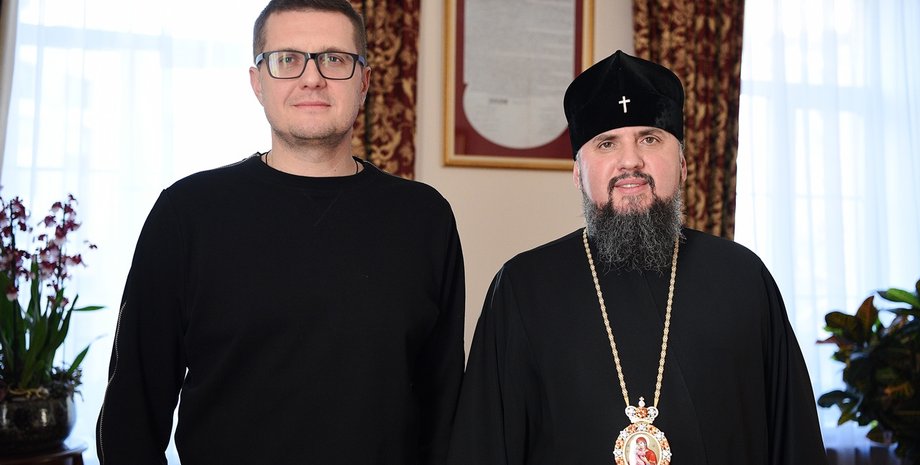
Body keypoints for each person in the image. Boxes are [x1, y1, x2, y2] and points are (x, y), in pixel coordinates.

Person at [96, 1, 465, 464]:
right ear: (258, 82)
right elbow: (132, 410)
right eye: (287, 59)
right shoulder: (186, 213)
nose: (312, 78)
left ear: (364, 81)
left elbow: (445, 407)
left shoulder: (425, 218)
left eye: (334, 59)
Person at [447, 50, 827, 464]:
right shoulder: (524, 287)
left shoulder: (742, 277)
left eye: (649, 138)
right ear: (577, 173)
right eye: (607, 143)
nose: (630, 161)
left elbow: (794, 441)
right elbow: (484, 447)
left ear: (682, 165)